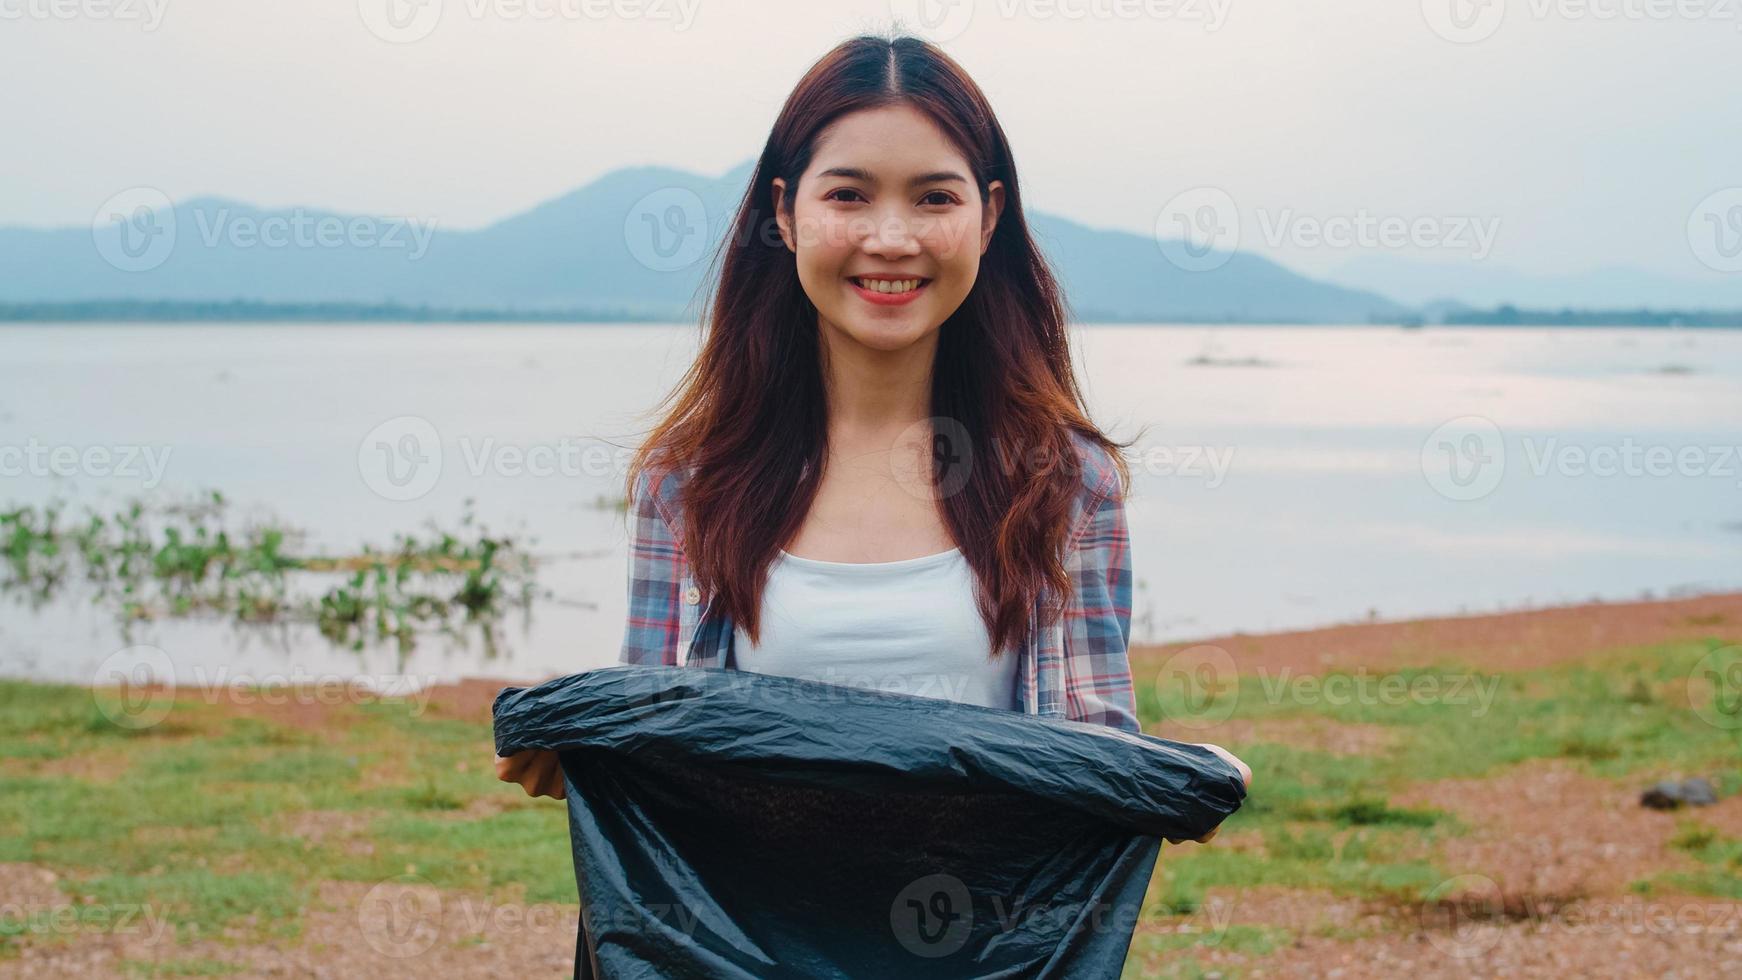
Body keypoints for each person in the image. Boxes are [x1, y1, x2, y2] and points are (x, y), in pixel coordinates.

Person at [496, 33, 1251, 846]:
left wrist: (1185, 782)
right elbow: (654, 739)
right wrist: (580, 752)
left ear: (989, 215)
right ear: (784, 214)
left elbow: (1096, 759)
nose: (891, 239)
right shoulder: (690, 482)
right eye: (848, 195)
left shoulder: (1066, 483)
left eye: (935, 199)